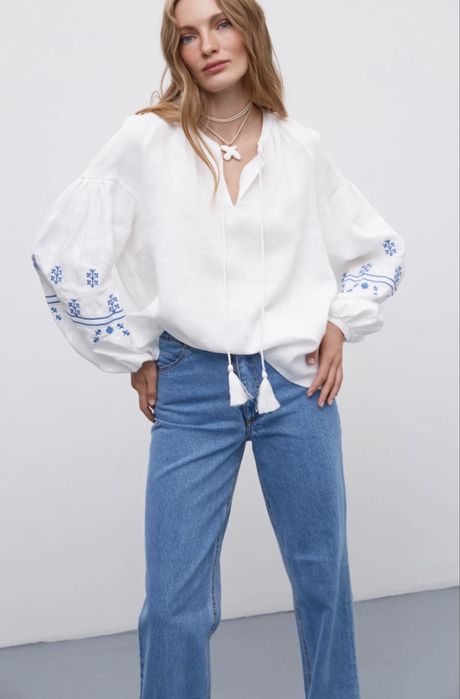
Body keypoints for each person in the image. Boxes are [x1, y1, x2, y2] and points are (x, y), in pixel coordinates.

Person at [31, 0, 406, 697]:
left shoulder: (300, 147)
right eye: (188, 34)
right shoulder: (146, 140)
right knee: (173, 602)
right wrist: (133, 353)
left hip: (298, 382)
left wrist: (341, 322)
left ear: (250, 29)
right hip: (192, 384)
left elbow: (377, 247)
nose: (207, 44)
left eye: (222, 23)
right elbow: (63, 252)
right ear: (176, 50)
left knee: (322, 579)